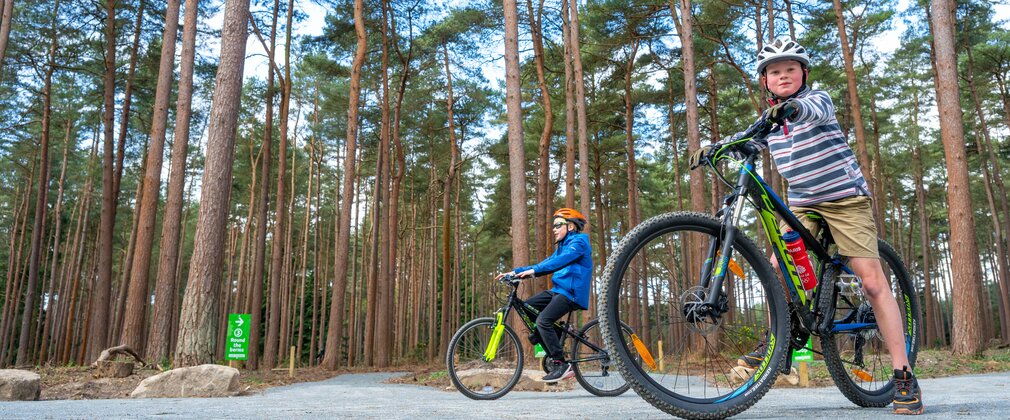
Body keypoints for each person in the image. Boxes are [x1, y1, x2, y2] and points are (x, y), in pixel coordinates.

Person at [690, 38, 923, 415]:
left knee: (871, 280)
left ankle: (904, 375)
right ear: (765, 80)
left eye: (790, 70)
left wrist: (792, 107)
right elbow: (747, 137)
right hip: (803, 203)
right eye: (774, 72)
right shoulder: (769, 119)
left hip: (845, 197)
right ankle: (778, 344)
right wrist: (715, 147)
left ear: (803, 75)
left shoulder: (816, 102)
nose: (783, 76)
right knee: (777, 264)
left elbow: (809, 109)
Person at [495, 208, 592, 383]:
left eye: (557, 225)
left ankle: (561, 364)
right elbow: (545, 263)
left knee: (542, 321)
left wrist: (534, 271)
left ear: (570, 227)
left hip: (571, 293)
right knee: (527, 308)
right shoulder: (562, 246)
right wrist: (515, 272)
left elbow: (558, 263)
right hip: (558, 290)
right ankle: (557, 331)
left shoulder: (579, 243)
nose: (554, 229)